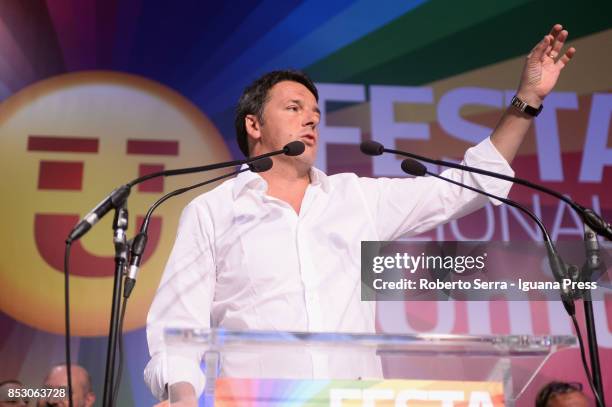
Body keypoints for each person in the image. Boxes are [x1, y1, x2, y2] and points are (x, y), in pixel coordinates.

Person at [145, 24, 576, 404]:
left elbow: (466, 187)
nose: (310, 122)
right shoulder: (212, 211)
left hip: (353, 399)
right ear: (254, 125)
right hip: (249, 400)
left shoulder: (355, 199)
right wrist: (184, 398)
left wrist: (526, 100)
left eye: (315, 115)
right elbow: (176, 329)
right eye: (294, 109)